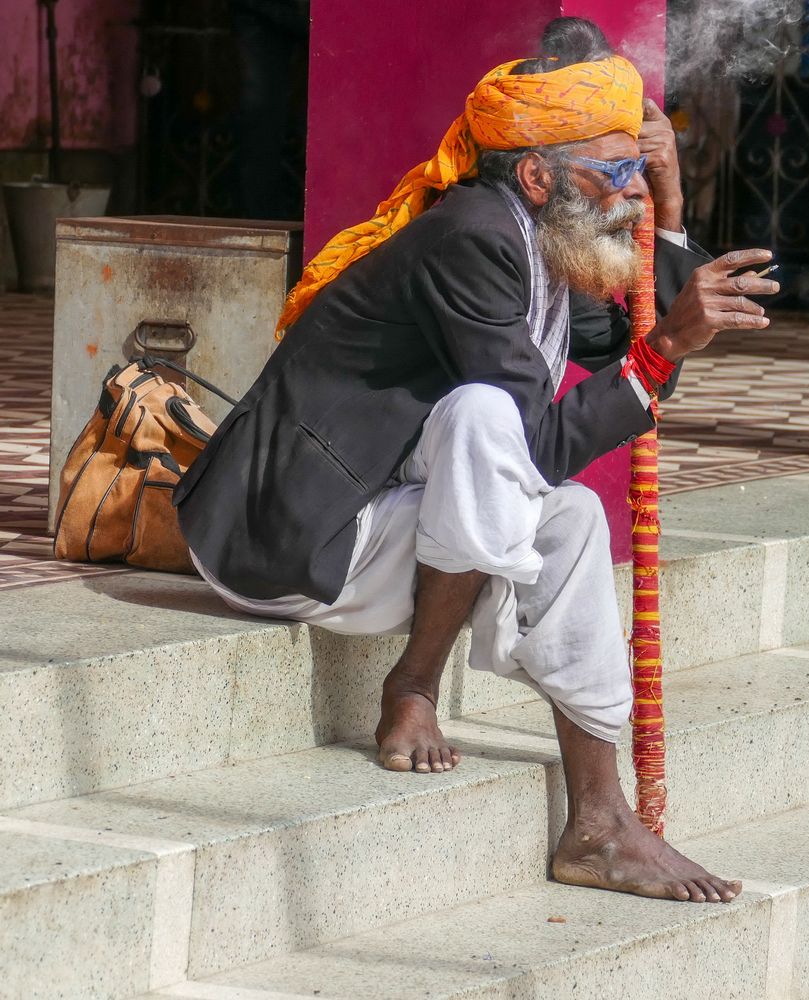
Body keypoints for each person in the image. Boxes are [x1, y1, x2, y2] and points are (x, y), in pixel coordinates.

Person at [174, 17, 778, 904]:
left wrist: (674, 210)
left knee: (570, 518)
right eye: (611, 174)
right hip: (282, 539)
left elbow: (633, 338)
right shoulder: (475, 237)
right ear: (537, 174)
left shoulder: (544, 238)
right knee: (485, 418)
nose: (628, 196)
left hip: (380, 521)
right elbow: (537, 437)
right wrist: (666, 348)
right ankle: (413, 683)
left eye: (633, 172)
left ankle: (599, 824)